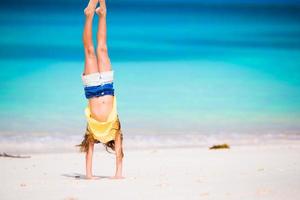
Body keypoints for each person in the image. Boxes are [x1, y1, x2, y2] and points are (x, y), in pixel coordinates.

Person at [76, 0, 124, 180]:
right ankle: (102, 12)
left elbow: (89, 151)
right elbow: (120, 154)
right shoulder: (115, 129)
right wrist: (118, 174)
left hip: (94, 90)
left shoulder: (93, 131)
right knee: (101, 49)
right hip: (106, 87)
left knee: (90, 51)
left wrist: (89, 175)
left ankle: (89, 16)